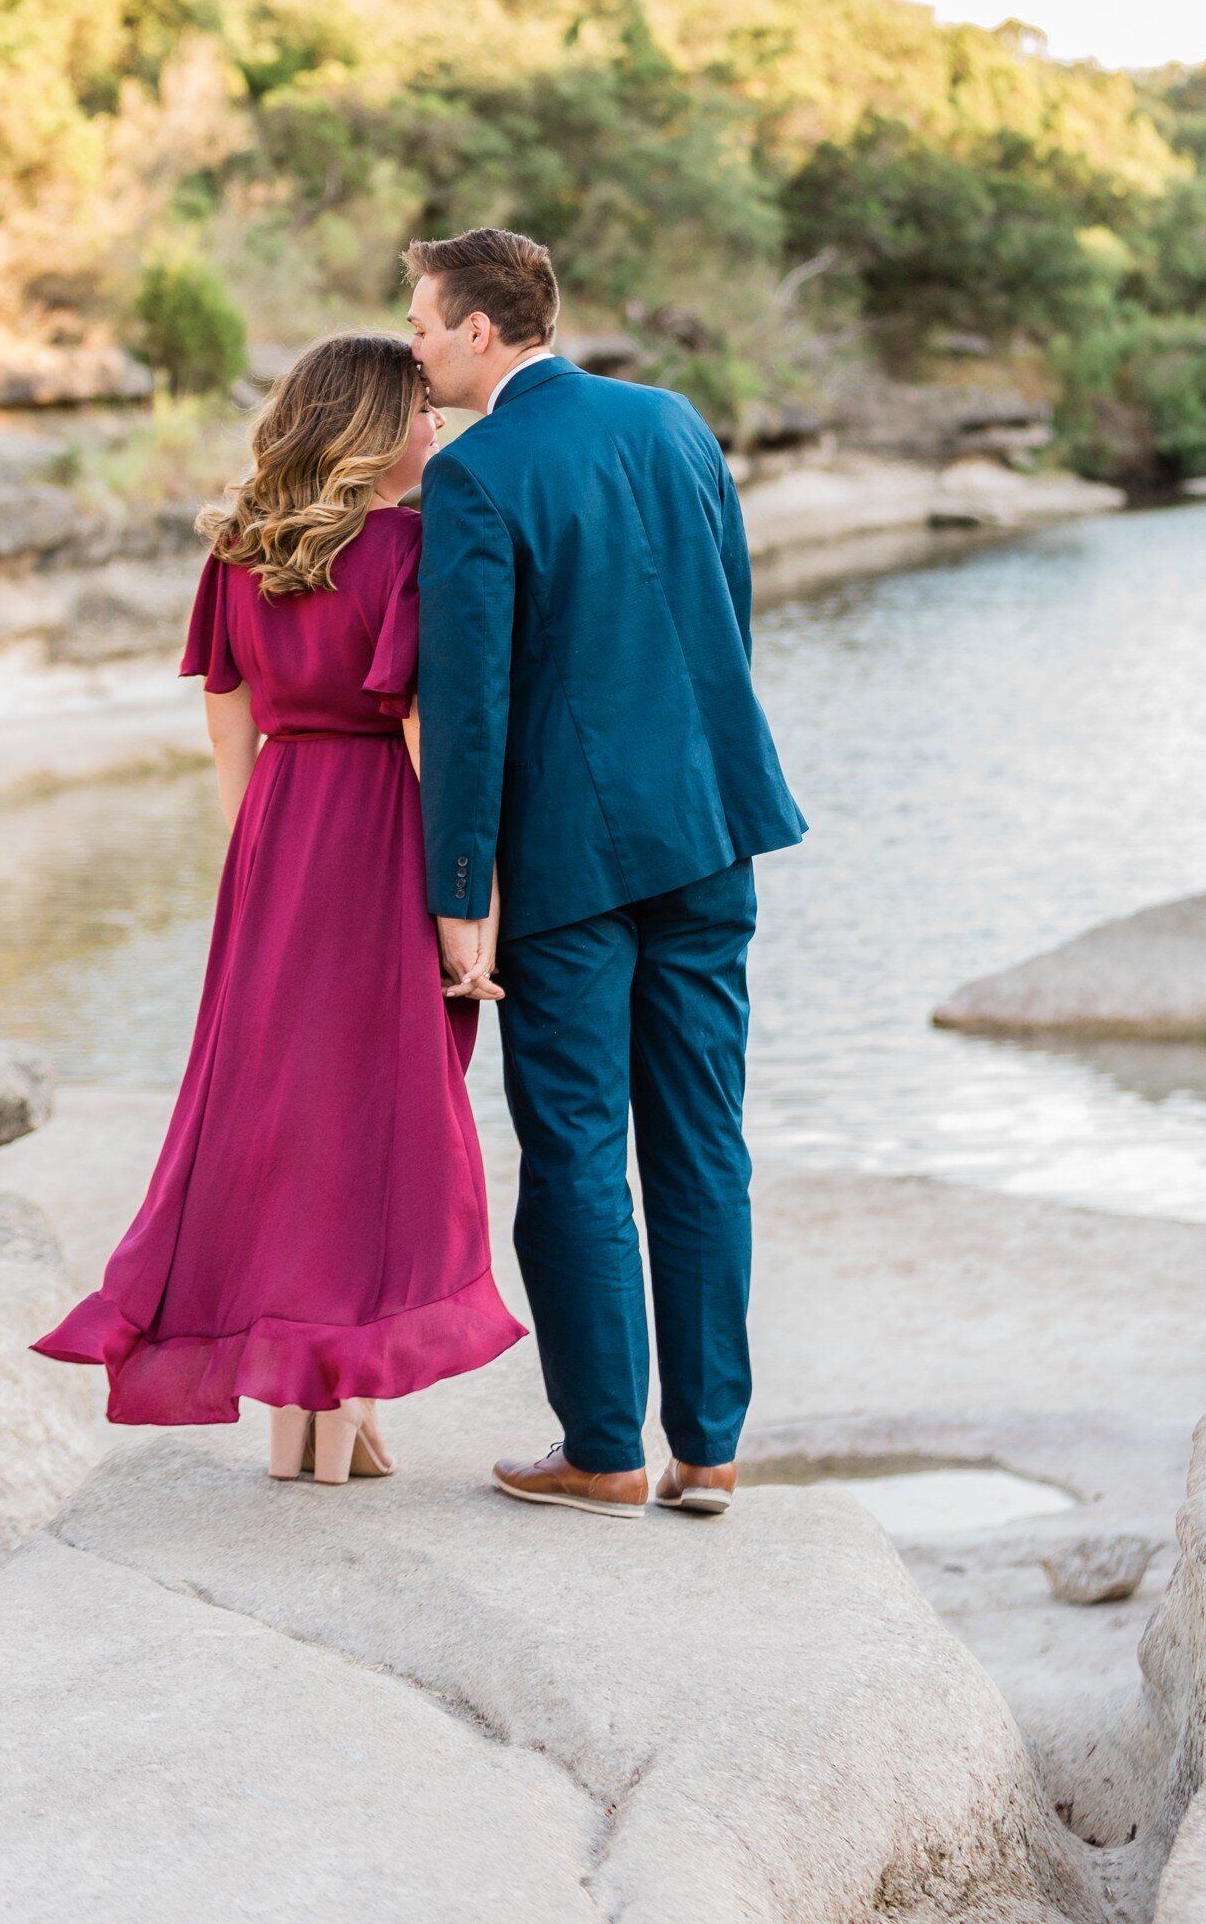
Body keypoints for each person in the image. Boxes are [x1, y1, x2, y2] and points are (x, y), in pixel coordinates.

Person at [33, 332, 525, 1480]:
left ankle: (310, 1415)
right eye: (417, 413)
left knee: (283, 1118)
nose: (434, 429)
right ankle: (328, 1397)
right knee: (373, 1119)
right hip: (374, 833)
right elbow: (423, 735)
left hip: (274, 837)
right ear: (366, 428)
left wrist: (262, 857)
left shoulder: (240, 549)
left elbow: (226, 729)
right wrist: (468, 914)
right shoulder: (406, 545)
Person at [407, 227, 805, 1520]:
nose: (412, 344)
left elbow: (468, 704)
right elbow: (728, 613)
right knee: (704, 1135)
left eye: (421, 321)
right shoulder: (676, 423)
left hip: (568, 862)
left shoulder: (477, 475)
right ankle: (711, 1446)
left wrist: (462, 889)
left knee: (575, 1145)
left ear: (481, 330)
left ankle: (601, 1450)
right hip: (709, 827)